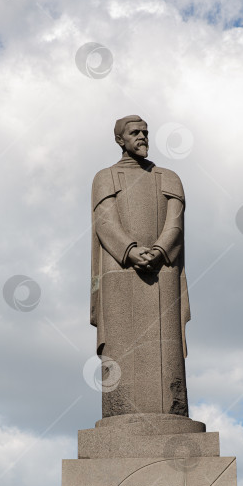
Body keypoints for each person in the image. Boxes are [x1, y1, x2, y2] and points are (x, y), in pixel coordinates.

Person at [90, 115, 191, 418]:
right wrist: (130, 251)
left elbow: (176, 223)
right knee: (121, 351)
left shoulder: (168, 177)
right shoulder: (105, 177)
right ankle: (120, 414)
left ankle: (169, 413)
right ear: (120, 140)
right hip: (120, 273)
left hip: (163, 273)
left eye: (146, 133)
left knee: (166, 355)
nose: (142, 137)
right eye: (135, 133)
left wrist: (160, 250)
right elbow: (104, 221)